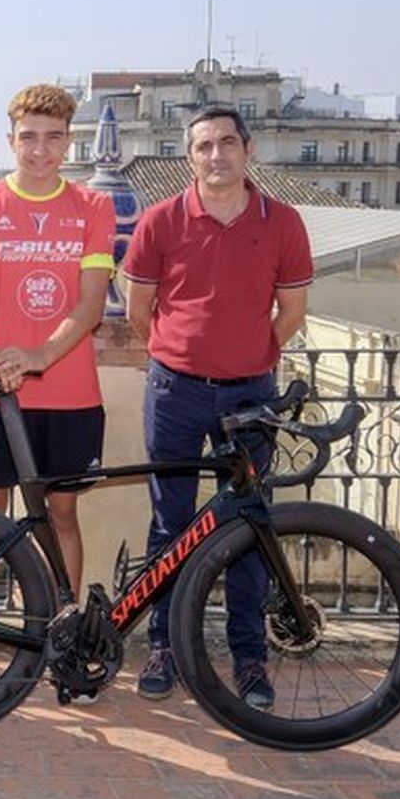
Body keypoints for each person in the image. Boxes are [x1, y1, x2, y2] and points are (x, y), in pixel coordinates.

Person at [123, 105, 313, 710]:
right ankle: (164, 646)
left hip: (250, 394)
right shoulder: (160, 221)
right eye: (204, 146)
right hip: (174, 391)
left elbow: (293, 315)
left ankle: (249, 658)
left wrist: (249, 357)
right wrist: (183, 354)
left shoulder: (282, 222)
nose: (216, 156)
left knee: (249, 528)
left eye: (227, 143)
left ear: (248, 150)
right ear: (190, 157)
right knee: (169, 524)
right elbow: (137, 311)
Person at [0, 83, 114, 699]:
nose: (40, 150)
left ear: (69, 141)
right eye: (28, 138)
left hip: (68, 392)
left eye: (53, 138)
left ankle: (62, 641)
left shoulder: (93, 207)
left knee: (60, 516)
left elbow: (91, 304)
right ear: (10, 140)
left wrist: (40, 357)